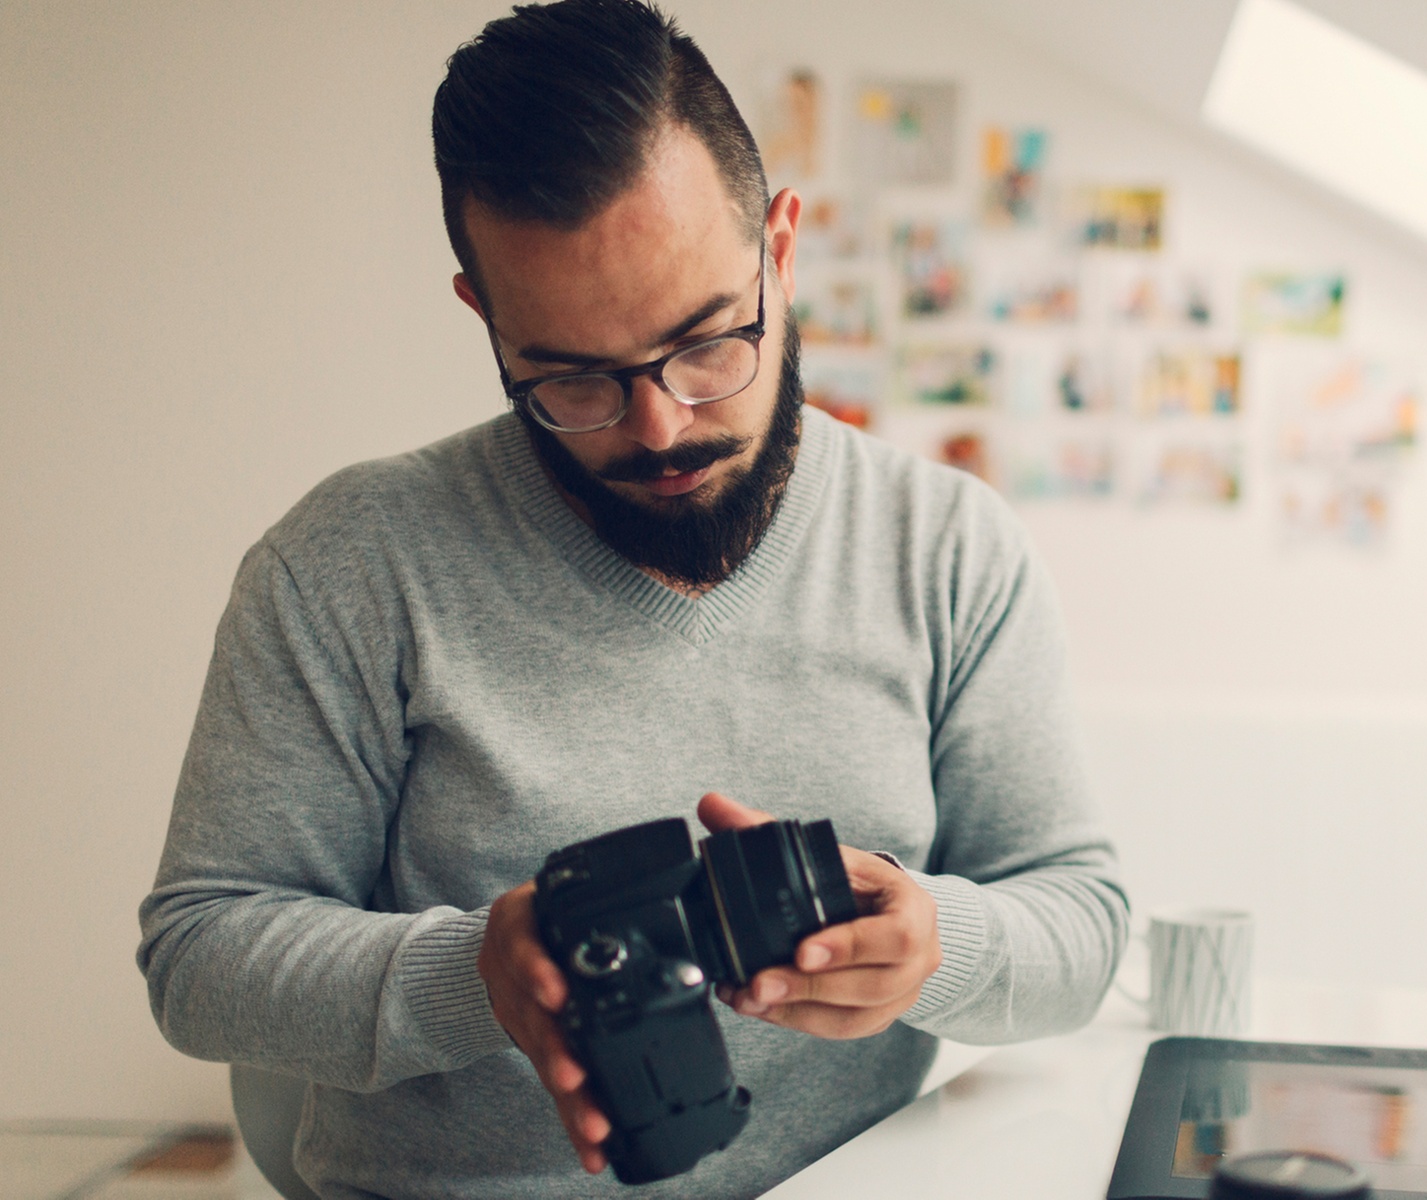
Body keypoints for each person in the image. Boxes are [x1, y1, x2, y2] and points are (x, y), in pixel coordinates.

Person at [135, 2, 1128, 1196]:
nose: (660, 427)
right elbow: (198, 954)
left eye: (707, 342)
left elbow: (1083, 921)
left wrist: (936, 945)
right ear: (484, 317)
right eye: (570, 378)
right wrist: (476, 976)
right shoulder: (349, 564)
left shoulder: (948, 548)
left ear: (782, 248)